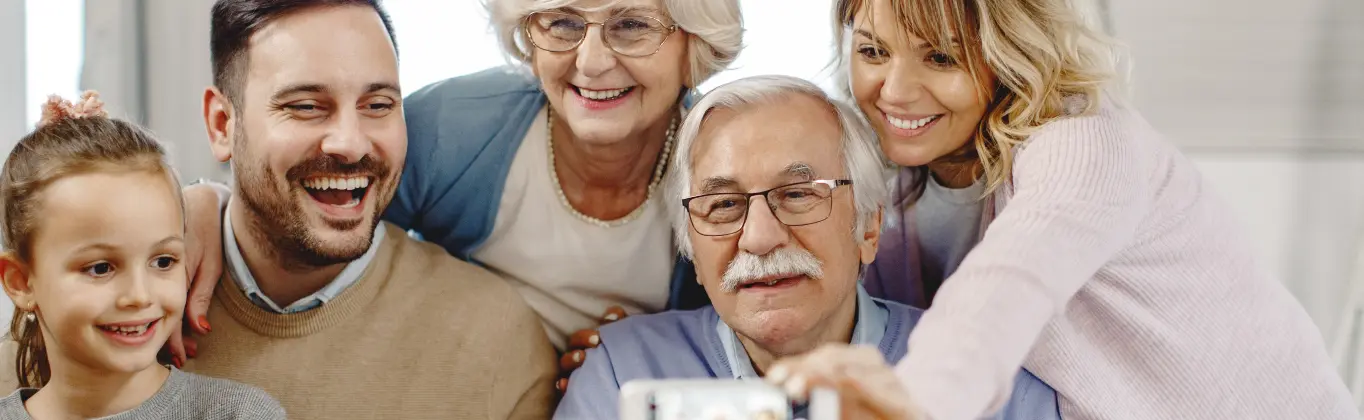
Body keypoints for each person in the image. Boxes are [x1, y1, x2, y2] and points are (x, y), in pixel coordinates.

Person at [764, 0, 1360, 419]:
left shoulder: (1083, 140)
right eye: (872, 50)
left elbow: (1012, 279)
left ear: (1009, 54)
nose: (893, 90)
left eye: (940, 58)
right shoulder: (891, 186)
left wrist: (919, 399)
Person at [176, 0, 744, 393]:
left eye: (632, 25)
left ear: (692, 39)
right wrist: (207, 203)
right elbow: (312, 206)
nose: (592, 62)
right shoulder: (452, 129)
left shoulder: (725, 169)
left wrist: (635, 358)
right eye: (564, 23)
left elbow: (741, 344)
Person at [555, 75, 1061, 420]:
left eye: (797, 195)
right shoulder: (621, 371)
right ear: (691, 249)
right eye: (724, 205)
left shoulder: (991, 377)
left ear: (868, 228)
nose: (758, 237)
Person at [173, 1, 555, 417]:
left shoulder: (494, 336)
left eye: (377, 105)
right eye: (306, 106)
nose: (351, 144)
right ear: (222, 124)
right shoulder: (131, 312)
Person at [0, 92, 285, 419]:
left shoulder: (238, 414)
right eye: (100, 268)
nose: (139, 295)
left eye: (163, 261)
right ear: (20, 282)